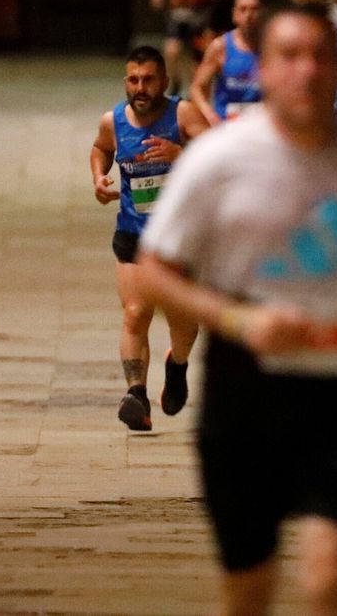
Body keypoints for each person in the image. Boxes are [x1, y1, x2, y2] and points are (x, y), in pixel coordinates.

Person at [132, 5, 337, 616]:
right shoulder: (219, 159)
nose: (308, 71)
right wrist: (240, 322)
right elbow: (155, 271)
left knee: (326, 580)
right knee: (250, 590)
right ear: (261, 70)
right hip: (245, 385)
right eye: (290, 56)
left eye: (323, 56)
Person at [89, 46, 209, 431]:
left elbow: (219, 155)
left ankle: (177, 365)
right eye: (133, 80)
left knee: (183, 322)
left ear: (164, 82)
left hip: (180, 240)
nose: (140, 88)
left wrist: (180, 153)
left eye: (148, 80)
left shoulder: (183, 114)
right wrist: (99, 178)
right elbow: (100, 148)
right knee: (135, 313)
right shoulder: (113, 121)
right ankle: (136, 395)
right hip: (133, 234)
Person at [191, 0, 265, 126]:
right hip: (227, 124)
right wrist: (210, 115)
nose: (248, 15)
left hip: (260, 125)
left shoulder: (272, 47)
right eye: (243, 9)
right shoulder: (221, 46)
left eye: (254, 9)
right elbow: (197, 88)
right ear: (234, 15)